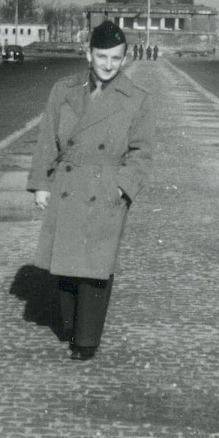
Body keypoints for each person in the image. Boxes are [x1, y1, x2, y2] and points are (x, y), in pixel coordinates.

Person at [27, 20, 154, 361]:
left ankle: (86, 340)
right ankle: (71, 325)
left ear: (125, 58)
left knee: (96, 268)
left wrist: (122, 188)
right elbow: (47, 139)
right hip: (67, 184)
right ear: (88, 54)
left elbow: (142, 153)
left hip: (105, 189)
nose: (109, 65)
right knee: (66, 264)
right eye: (102, 57)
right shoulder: (63, 90)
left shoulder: (136, 99)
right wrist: (41, 184)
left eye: (116, 58)